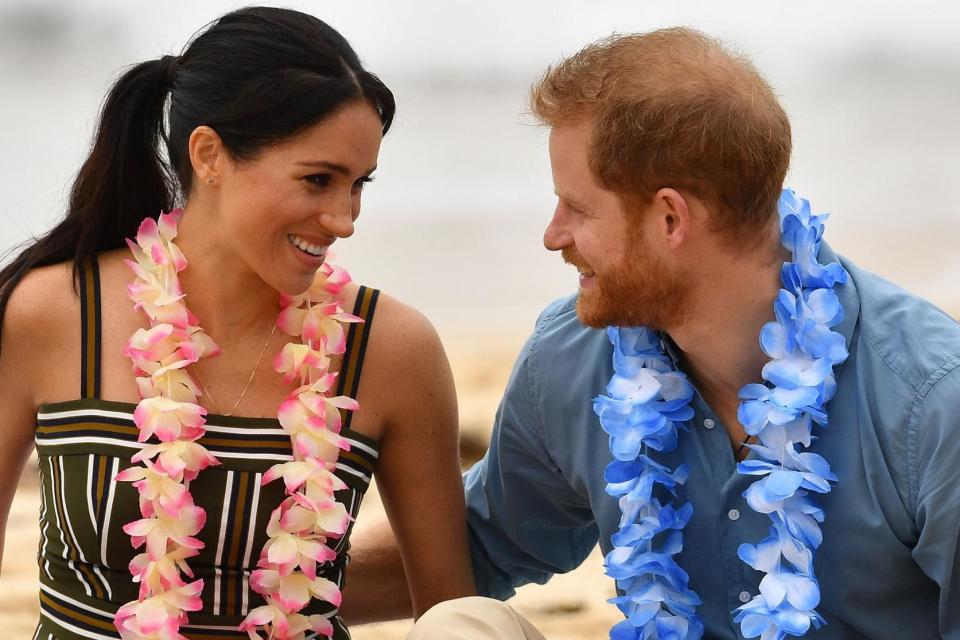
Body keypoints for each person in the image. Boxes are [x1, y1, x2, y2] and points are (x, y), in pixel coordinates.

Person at [341, 28, 960, 640]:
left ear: (671, 218)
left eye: (576, 208)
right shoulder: (572, 360)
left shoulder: (931, 401)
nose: (553, 236)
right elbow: (472, 543)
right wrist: (262, 583)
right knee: (462, 630)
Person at [0, 7, 474, 640]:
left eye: (359, 184)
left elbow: (453, 615)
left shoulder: (390, 348)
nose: (344, 218)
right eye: (318, 179)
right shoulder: (53, 312)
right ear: (209, 155)